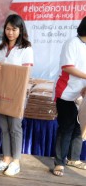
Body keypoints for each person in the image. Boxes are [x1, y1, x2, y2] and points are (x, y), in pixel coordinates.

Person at [0, 14, 33, 176]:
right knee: (4, 127)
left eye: (14, 29)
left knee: (15, 127)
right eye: (8, 29)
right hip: (1, 91)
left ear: (20, 30)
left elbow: (25, 74)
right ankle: (6, 159)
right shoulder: (0, 48)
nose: (10, 32)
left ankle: (16, 161)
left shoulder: (26, 48)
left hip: (17, 93)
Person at [52, 17, 86, 177]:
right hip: (66, 93)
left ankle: (74, 158)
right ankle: (59, 162)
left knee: (79, 128)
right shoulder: (72, 43)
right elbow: (68, 67)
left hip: (82, 94)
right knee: (66, 128)